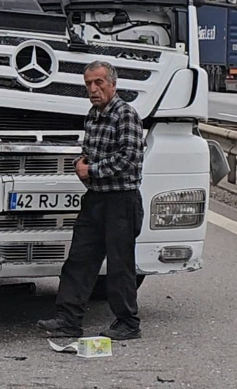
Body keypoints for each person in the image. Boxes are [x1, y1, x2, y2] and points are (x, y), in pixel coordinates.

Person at [37, 60, 146, 341]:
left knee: (120, 265)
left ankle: (127, 322)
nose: (93, 89)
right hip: (96, 199)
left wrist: (92, 170)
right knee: (79, 260)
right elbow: (89, 153)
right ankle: (68, 320)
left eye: (98, 83)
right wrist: (80, 164)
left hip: (121, 201)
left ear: (113, 84)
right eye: (88, 84)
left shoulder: (125, 114)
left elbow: (129, 157)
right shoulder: (92, 115)